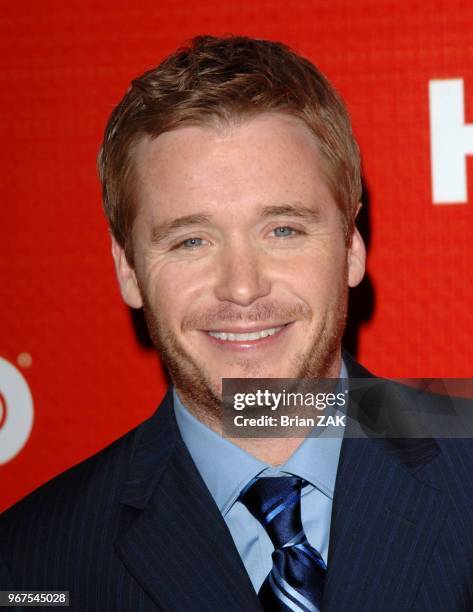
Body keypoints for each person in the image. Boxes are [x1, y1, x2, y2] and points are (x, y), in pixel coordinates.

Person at [1, 35, 472, 612]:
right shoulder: (31, 565)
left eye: (283, 230)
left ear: (351, 246)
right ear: (128, 268)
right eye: (191, 240)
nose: (243, 286)